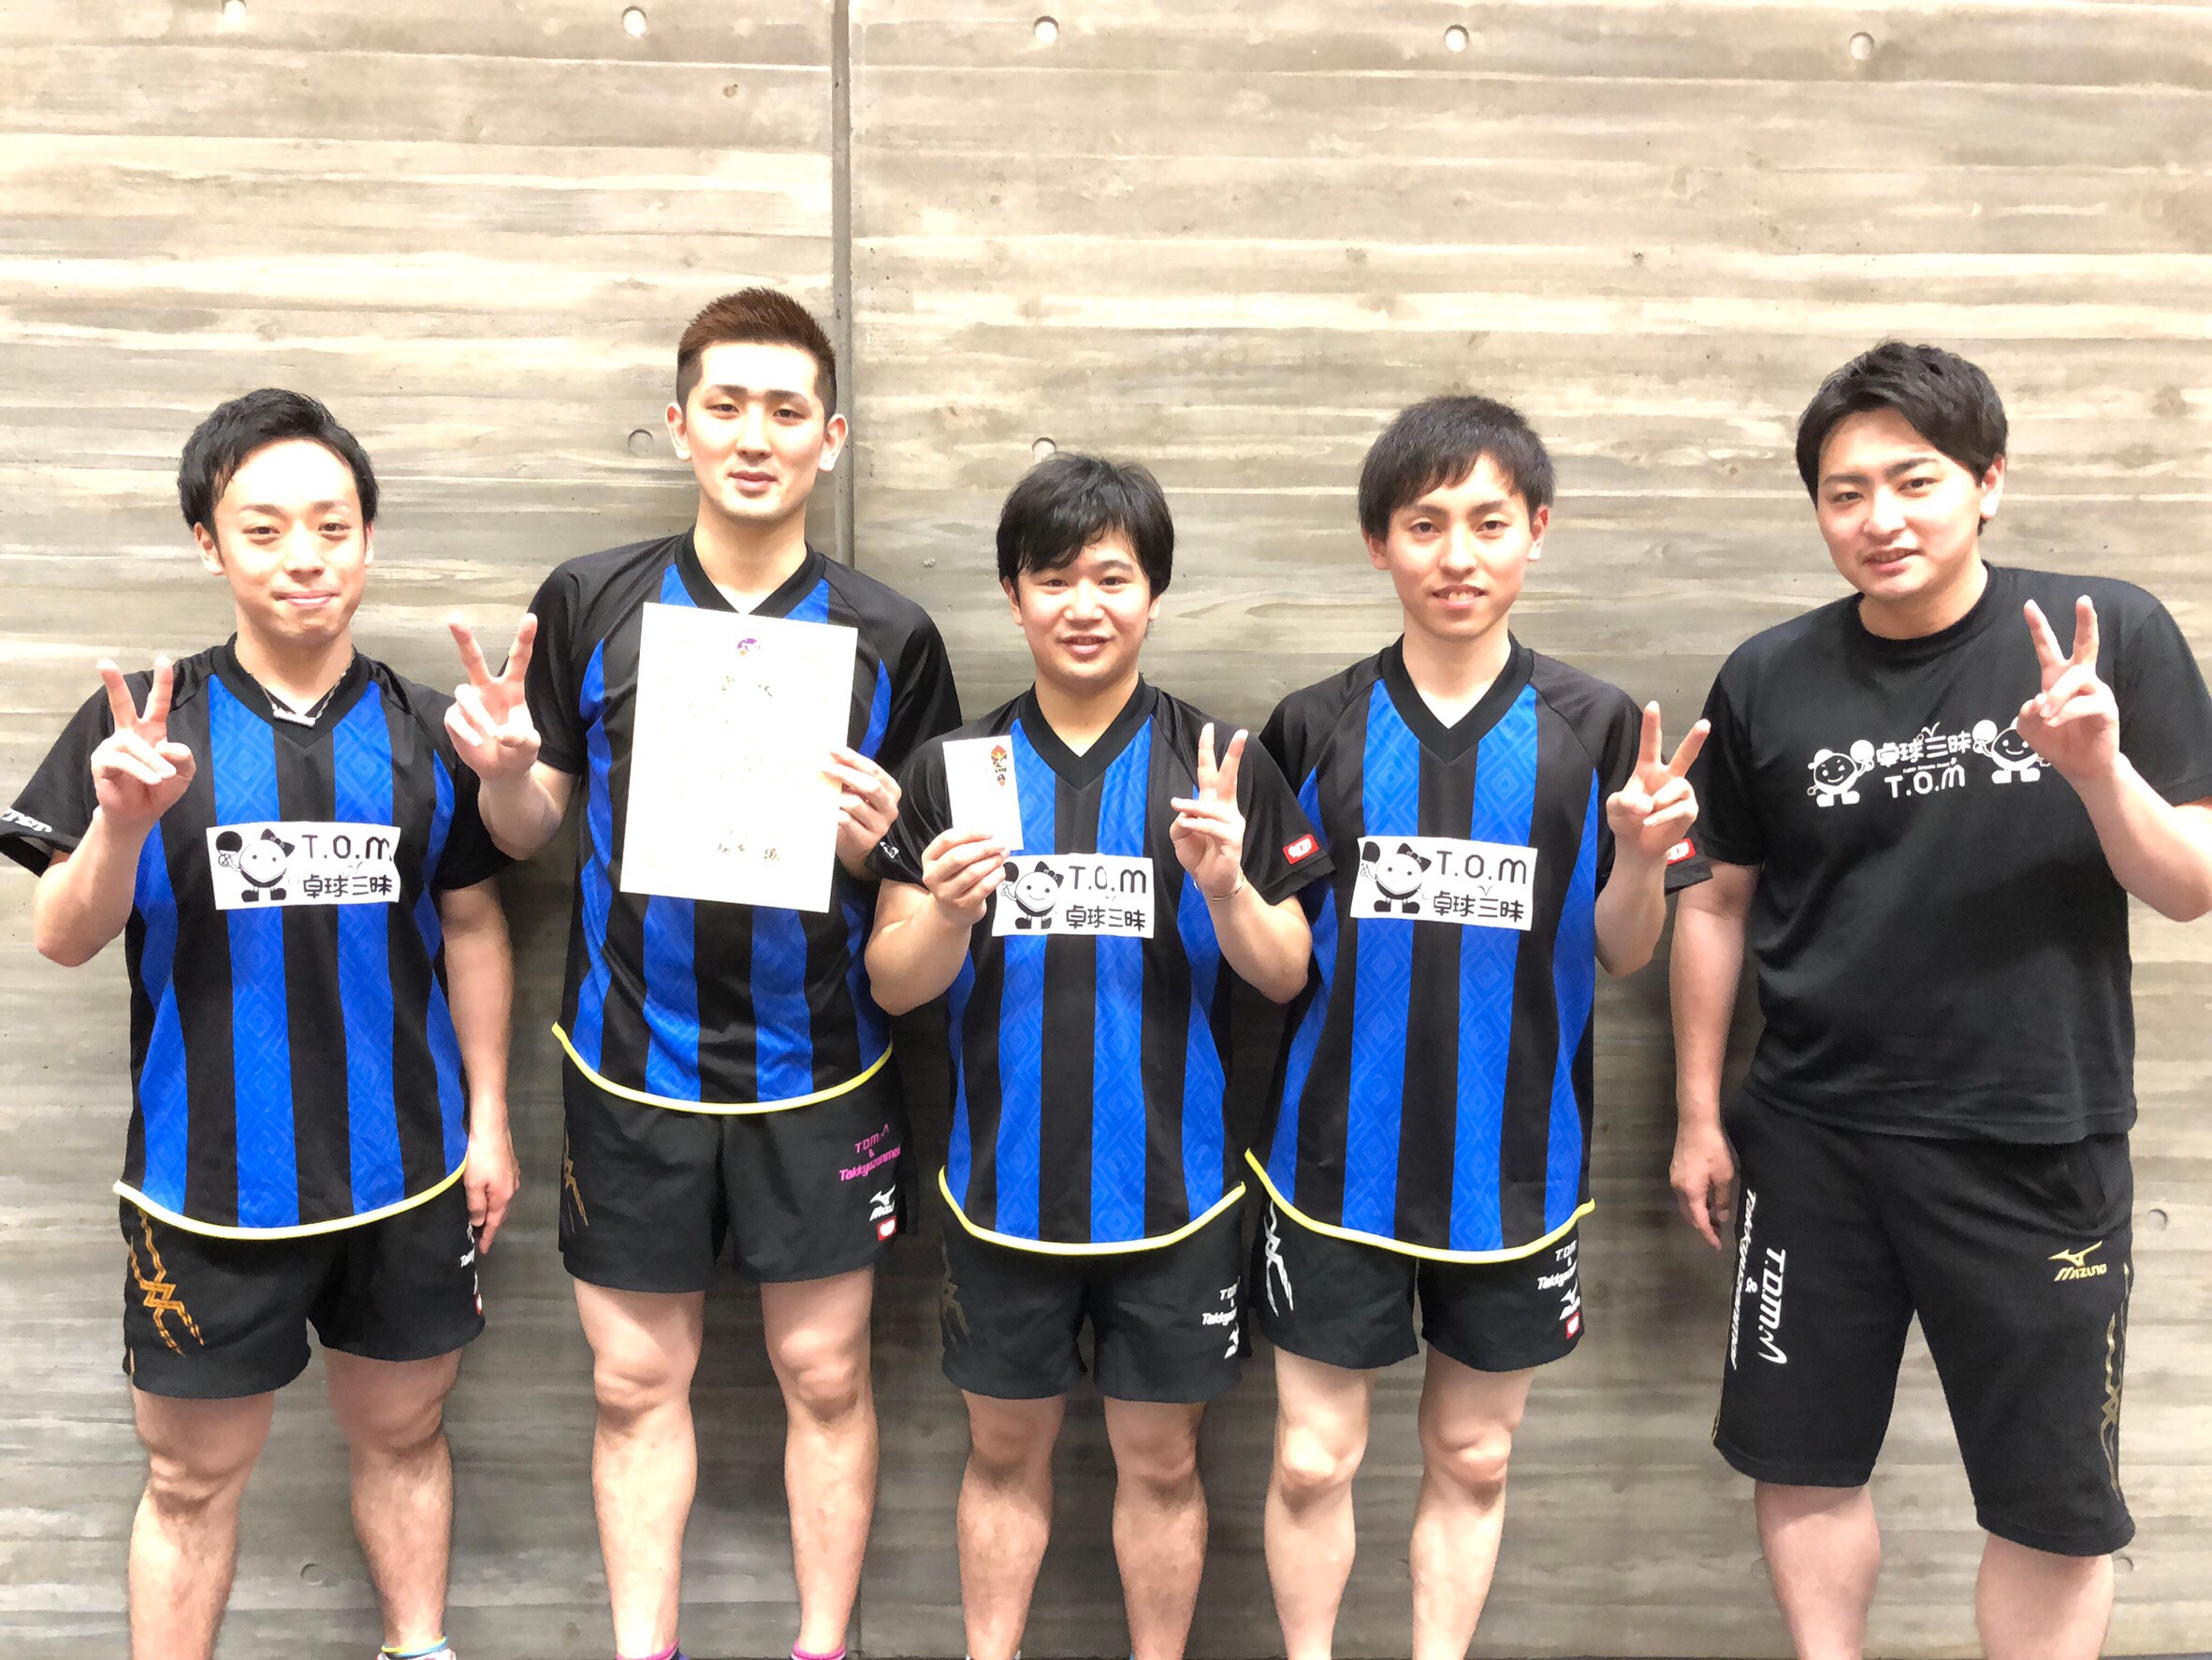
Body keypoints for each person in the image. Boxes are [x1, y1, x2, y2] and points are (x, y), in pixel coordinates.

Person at [1669, 342, 2212, 1660]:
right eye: (1845, 492)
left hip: (2033, 1138)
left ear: (1988, 482)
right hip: (1811, 1139)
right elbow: (1717, 903)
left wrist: (2096, 768)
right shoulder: (1768, 676)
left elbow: (2191, 885)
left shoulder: (2106, 635)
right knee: (1801, 1458)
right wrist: (1698, 1113)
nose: (1882, 518)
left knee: (2052, 1501)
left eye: (1915, 481)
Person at [444, 288, 960, 1660]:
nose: (754, 435)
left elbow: (917, 886)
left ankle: (822, 1645)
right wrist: (503, 773)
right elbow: (526, 832)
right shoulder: (589, 598)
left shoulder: (895, 634)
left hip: (822, 1066)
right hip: (631, 1060)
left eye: (787, 410)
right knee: (632, 1382)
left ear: (831, 437)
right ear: (679, 424)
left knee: (825, 1373)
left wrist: (879, 845)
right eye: (725, 406)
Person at [0, 389, 517, 1660]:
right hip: (207, 1188)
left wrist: (492, 1118)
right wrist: (121, 823)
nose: (305, 557)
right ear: (208, 540)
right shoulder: (137, 724)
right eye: (265, 527)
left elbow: (471, 924)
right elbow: (61, 935)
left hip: (409, 1173)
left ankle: (417, 1646)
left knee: (405, 1431)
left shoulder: (428, 727)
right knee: (189, 1480)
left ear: (368, 537)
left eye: (333, 527)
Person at [1245, 395, 1709, 1660]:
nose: (1458, 554)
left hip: (1516, 1167)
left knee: (1475, 1452)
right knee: (1310, 1456)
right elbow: (1277, 955)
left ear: (1537, 530)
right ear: (1378, 542)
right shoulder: (1312, 723)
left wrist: (1637, 858)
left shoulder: (1601, 728)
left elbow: (1625, 949)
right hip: (1329, 1161)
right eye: (1425, 523)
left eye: (1489, 522)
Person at [866, 453, 1330, 1660]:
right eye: (1054, 577)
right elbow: (892, 980)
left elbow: (1287, 971)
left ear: (1154, 594)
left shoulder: (1221, 764)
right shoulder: (954, 770)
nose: (1085, 605)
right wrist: (949, 913)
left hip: (1179, 1195)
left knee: (1162, 1459)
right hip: (1000, 1188)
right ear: (1013, 595)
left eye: (1113, 578)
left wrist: (1226, 889)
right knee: (1000, 1452)